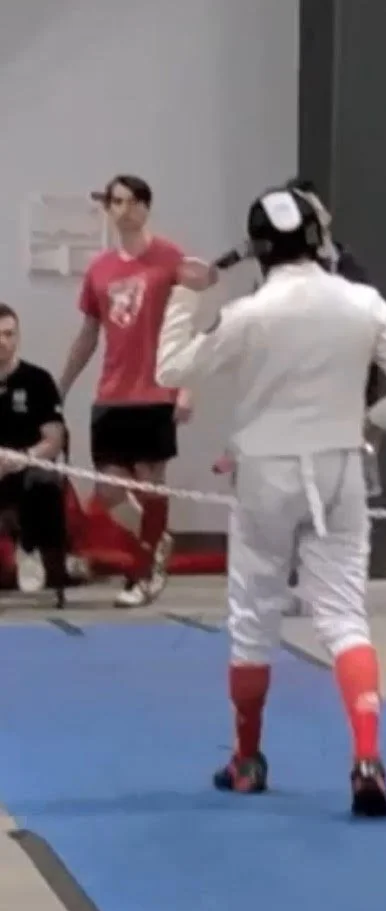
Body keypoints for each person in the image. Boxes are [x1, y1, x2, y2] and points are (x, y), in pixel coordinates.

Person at [155, 186, 386, 817]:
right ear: (316, 237)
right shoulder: (362, 303)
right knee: (344, 617)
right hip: (340, 470)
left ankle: (248, 761)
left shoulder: (250, 315)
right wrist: (374, 421)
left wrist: (185, 292)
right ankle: (367, 757)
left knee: (254, 617)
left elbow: (172, 369)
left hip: (264, 476)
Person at [57, 175, 213, 608]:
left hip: (156, 390)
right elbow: (88, 333)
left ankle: (143, 573)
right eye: (113, 202)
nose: (119, 209)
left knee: (149, 483)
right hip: (112, 393)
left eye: (127, 201)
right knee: (108, 489)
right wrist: (63, 384)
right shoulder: (100, 270)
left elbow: (189, 328)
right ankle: (157, 539)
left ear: (145, 206)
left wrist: (187, 388)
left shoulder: (169, 260)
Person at [0, 305, 69, 596]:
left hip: (26, 466)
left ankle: (29, 550)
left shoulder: (38, 380)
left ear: (18, 337)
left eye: (8, 334)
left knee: (44, 481)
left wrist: (23, 458)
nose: (2, 341)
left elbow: (54, 439)